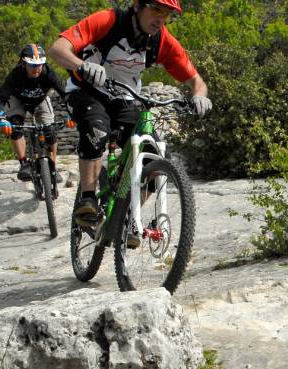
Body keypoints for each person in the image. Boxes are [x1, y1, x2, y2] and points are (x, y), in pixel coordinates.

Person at [49, 0, 211, 237]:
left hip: (124, 97)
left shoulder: (161, 40)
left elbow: (196, 81)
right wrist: (82, 66)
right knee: (97, 131)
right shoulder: (108, 21)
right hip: (86, 91)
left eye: (166, 14)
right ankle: (88, 199)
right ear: (137, 6)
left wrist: (199, 97)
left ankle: (125, 219)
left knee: (155, 165)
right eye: (156, 10)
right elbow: (57, 50)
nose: (160, 19)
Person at [0, 44, 70, 182]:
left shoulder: (49, 74)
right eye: (33, 65)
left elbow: (66, 95)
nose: (37, 68)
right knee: (15, 127)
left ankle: (53, 167)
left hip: (40, 100)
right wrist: (1, 118)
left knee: (50, 131)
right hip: (18, 100)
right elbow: (0, 99)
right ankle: (24, 164)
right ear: (23, 64)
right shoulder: (15, 75)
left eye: (40, 64)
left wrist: (73, 113)